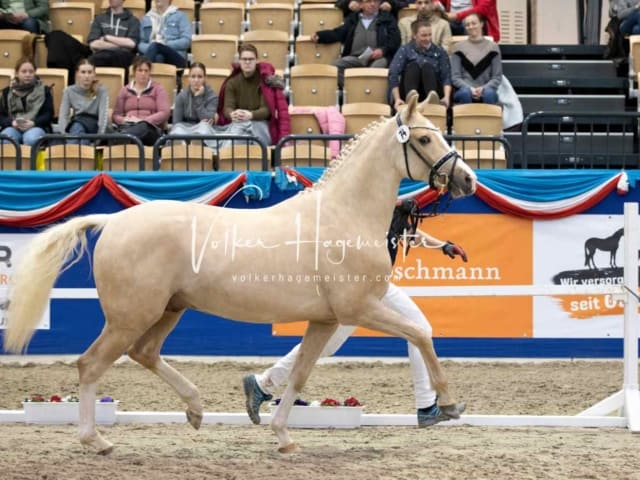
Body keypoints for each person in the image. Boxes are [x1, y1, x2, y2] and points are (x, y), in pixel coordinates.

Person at [243, 199, 468, 427]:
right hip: (358, 288)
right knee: (417, 331)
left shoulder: (389, 209)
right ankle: (426, 407)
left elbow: (408, 233)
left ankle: (262, 383)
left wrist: (443, 246)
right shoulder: (366, 207)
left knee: (327, 346)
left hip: (376, 287)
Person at [311, 0, 401, 87]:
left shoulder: (388, 19)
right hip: (356, 57)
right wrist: (320, 36)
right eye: (369, 1)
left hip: (379, 57)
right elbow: (338, 33)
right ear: (361, 4)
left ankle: (369, 94)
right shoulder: (353, 19)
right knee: (335, 67)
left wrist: (383, 50)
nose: (373, 4)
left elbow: (395, 40)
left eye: (376, 1)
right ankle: (353, 90)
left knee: (376, 69)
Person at [216, 44, 290, 148]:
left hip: (260, 124)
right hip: (238, 123)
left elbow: (266, 110)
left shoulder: (264, 81)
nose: (247, 62)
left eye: (251, 59)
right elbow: (227, 108)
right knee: (237, 133)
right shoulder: (232, 83)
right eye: (244, 59)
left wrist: (250, 115)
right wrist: (232, 114)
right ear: (240, 61)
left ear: (256, 61)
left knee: (246, 132)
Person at [389, 20, 452, 111]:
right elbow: (393, 73)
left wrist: (446, 97)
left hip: (433, 88)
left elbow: (446, 76)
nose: (428, 38)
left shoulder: (439, 51)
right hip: (409, 88)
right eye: (424, 35)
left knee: (427, 67)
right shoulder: (405, 50)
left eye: (430, 35)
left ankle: (432, 100)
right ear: (414, 35)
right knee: (413, 66)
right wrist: (397, 99)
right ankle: (411, 99)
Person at [112, 56, 170, 146]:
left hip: (150, 128)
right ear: (134, 72)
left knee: (143, 127)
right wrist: (123, 120)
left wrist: (144, 120)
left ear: (149, 72)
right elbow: (116, 115)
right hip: (128, 126)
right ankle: (122, 138)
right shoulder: (125, 90)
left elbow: (164, 112)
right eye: (140, 70)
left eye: (146, 71)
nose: (143, 73)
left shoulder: (158, 89)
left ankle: (120, 138)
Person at [0, 57, 53, 147]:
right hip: (13, 127)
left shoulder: (44, 91)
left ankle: (28, 161)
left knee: (31, 139)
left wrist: (34, 123)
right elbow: (1, 116)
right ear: (17, 73)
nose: (28, 74)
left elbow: (48, 115)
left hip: (36, 126)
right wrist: (12, 122)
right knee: (5, 139)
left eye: (31, 71)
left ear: (35, 73)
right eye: (24, 71)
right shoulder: (6, 92)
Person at [450, 13, 501, 105]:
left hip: (487, 90)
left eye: (474, 23)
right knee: (465, 93)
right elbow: (455, 78)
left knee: (489, 94)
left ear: (481, 24)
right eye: (467, 24)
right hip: (464, 91)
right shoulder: (457, 47)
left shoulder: (493, 47)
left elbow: (496, 77)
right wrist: (470, 89)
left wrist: (483, 89)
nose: (471, 27)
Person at [58, 58, 110, 144]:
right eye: (83, 72)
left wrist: (97, 141)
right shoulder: (69, 91)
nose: (87, 76)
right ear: (77, 74)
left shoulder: (102, 91)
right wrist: (65, 136)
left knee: (77, 127)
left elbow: (103, 119)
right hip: (78, 125)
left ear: (94, 75)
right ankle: (82, 152)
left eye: (90, 72)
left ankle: (74, 153)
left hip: (95, 126)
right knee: (79, 132)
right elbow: (63, 116)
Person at [169, 62, 219, 145]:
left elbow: (208, 118)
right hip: (184, 129)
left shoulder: (212, 96)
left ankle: (196, 144)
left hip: (203, 129)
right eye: (193, 76)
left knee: (204, 127)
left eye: (200, 77)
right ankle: (181, 146)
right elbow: (176, 122)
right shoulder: (181, 96)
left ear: (205, 78)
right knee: (177, 130)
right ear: (189, 78)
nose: (196, 80)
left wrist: (198, 98)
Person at [87, 0, 141, 72]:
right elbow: (93, 44)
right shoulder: (99, 18)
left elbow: (131, 43)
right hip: (102, 54)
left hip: (124, 56)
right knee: (91, 61)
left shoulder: (133, 20)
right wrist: (121, 45)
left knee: (123, 58)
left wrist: (107, 38)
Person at [139, 0, 192, 68]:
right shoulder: (146, 18)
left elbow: (186, 41)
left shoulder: (180, 16)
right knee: (158, 56)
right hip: (154, 54)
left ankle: (142, 70)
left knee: (157, 46)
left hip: (176, 55)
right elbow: (140, 44)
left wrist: (165, 45)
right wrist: (152, 47)